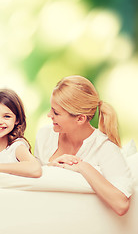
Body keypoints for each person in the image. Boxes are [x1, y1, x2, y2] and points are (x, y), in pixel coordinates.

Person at [34, 75, 134, 216]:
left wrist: (83, 167)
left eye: (56, 113)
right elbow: (34, 180)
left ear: (80, 118)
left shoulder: (105, 148)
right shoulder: (44, 136)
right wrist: (51, 168)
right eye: (51, 109)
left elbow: (121, 204)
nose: (49, 115)